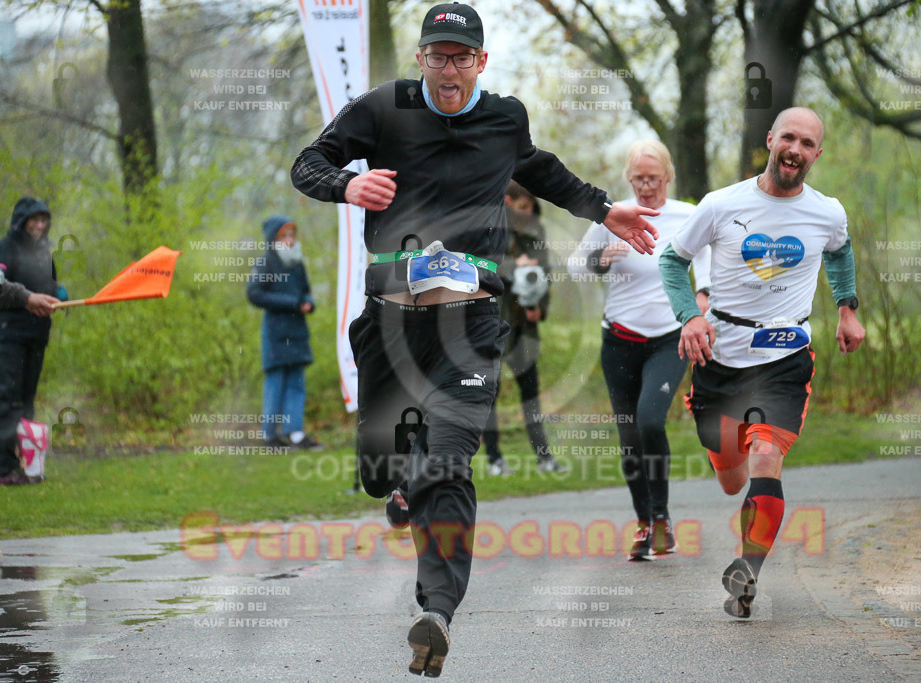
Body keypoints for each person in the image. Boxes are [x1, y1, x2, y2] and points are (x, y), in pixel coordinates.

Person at [290, 2, 658, 675]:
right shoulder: (383, 108)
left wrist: (606, 209)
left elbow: (540, 169)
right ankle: (399, 481)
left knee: (449, 462)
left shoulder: (504, 117)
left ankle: (436, 610)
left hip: (470, 324)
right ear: (421, 59)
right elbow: (306, 164)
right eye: (438, 56)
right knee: (381, 472)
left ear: (481, 62)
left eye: (462, 57)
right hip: (391, 324)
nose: (449, 69)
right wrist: (348, 183)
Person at [659, 107, 865, 618]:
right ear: (771, 140)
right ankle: (730, 462)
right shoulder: (721, 204)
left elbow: (839, 251)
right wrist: (690, 317)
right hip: (721, 356)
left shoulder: (826, 212)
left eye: (807, 143)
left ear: (817, 154)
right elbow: (672, 260)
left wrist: (847, 308)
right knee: (732, 478)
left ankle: (747, 573)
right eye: (788, 138)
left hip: (786, 356)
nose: (796, 150)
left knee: (767, 457)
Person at [569, 140, 711, 561]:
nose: (646, 186)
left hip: (669, 338)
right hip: (619, 341)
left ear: (668, 176)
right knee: (629, 434)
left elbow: (707, 258)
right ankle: (645, 523)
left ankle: (662, 517)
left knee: (650, 419)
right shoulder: (614, 215)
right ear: (628, 179)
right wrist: (602, 257)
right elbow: (575, 267)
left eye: (653, 178)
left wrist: (703, 296)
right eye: (638, 179)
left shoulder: (687, 215)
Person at [481, 181, 564, 476]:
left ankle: (544, 458)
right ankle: (494, 459)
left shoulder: (536, 229)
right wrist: (515, 264)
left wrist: (539, 306)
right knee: (489, 392)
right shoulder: (490, 227)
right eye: (522, 207)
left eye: (531, 207)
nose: (528, 212)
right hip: (493, 322)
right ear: (507, 202)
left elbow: (546, 272)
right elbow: (483, 265)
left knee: (531, 393)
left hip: (525, 327)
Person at [0, 197, 63, 486]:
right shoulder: (3, 249)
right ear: (21, 222)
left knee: (26, 402)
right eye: (34, 220)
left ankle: (25, 464)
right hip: (6, 337)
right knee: (7, 400)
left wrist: (58, 293)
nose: (40, 226)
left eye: (44, 220)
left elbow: (46, 287)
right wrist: (27, 297)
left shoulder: (44, 254)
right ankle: (2, 470)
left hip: (35, 337)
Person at [246, 216, 321, 450]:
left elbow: (306, 291)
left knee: (297, 382)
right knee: (276, 382)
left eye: (292, 235)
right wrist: (293, 302)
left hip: (298, 332)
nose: (290, 240)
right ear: (273, 239)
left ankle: (295, 433)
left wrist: (308, 302)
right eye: (284, 236)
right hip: (276, 334)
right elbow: (254, 294)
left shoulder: (297, 263)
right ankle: (269, 435)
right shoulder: (265, 262)